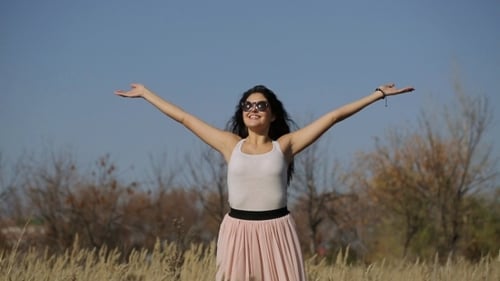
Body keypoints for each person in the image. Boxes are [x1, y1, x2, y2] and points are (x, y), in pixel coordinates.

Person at [114, 83, 414, 281]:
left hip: (277, 232)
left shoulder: (284, 146)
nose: (253, 109)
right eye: (247, 105)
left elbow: (334, 116)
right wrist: (146, 93)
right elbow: (184, 118)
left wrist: (378, 94)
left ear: (272, 114)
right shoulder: (230, 144)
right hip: (237, 232)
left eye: (260, 105)